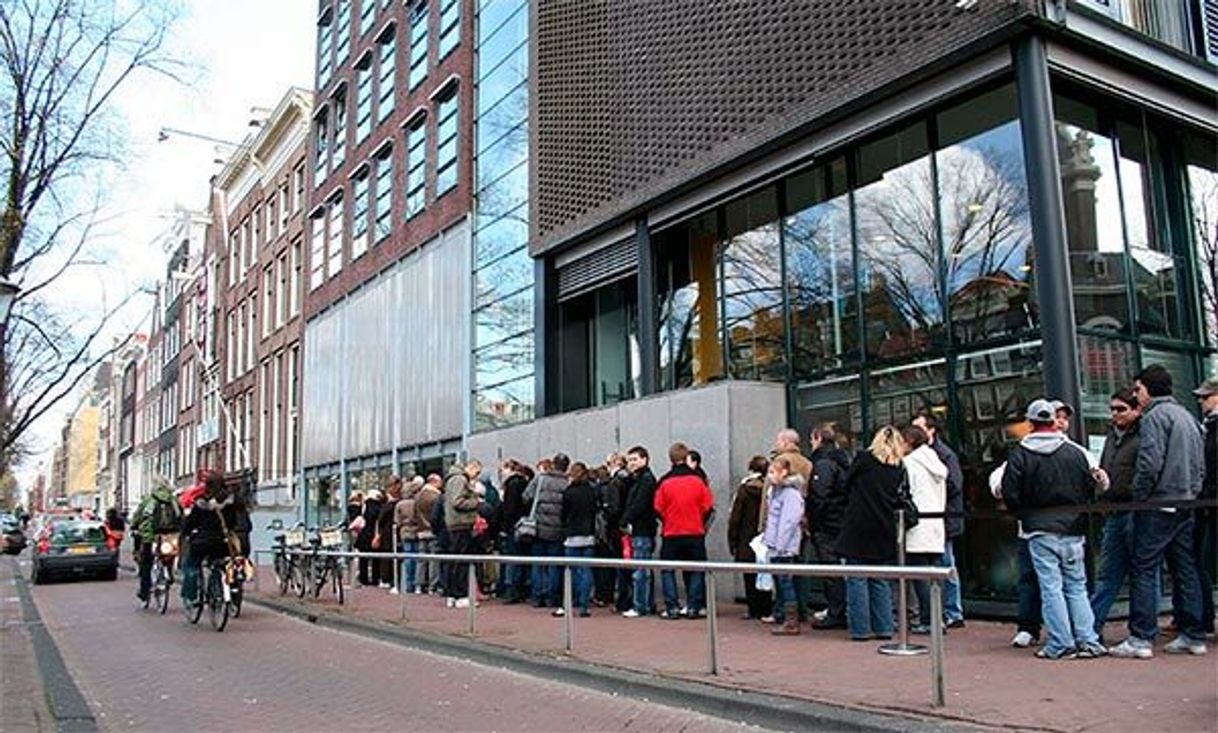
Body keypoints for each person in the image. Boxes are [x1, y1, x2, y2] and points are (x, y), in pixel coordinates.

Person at [1110, 366, 1208, 658]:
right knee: (1185, 567)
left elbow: (1150, 463)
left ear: (1149, 390)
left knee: (1144, 566)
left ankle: (1141, 637)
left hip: (1159, 502)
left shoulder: (1155, 417)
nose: (1136, 394)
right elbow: (1199, 462)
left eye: (1138, 389)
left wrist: (1140, 497)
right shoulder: (1187, 416)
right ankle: (1194, 633)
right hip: (1186, 500)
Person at [1001, 399, 1107, 660]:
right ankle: (1088, 639)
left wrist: (1023, 513)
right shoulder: (1076, 452)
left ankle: (1060, 642)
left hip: (1039, 528)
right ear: (1053, 422)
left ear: (1031, 423)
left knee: (1051, 587)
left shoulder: (1021, 454)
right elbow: (1092, 486)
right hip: (1073, 528)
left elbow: (1010, 493)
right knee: (1076, 586)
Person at [836, 426, 906, 641]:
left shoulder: (864, 459)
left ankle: (860, 629)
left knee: (857, 578)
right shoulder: (898, 467)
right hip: (884, 526)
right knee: (880, 580)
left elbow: (845, 485)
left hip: (858, 524)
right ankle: (884, 627)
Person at [1089, 389, 1142, 640]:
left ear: (1136, 410)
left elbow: (1147, 471)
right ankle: (1091, 627)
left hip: (1135, 510)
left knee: (1142, 573)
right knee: (1107, 573)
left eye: (1121, 409)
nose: (1115, 414)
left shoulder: (1143, 434)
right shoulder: (1112, 436)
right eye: (1112, 409)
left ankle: (1141, 631)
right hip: (1113, 510)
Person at [912, 412, 965, 629]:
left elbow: (954, 484)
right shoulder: (934, 454)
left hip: (942, 518)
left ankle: (952, 610)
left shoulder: (945, 455)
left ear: (931, 430)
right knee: (939, 565)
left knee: (946, 564)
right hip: (937, 518)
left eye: (919, 427)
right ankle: (943, 612)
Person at [654, 442, 715, 619]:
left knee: (667, 569)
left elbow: (657, 507)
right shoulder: (698, 481)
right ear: (686, 457)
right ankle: (694, 607)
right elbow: (708, 506)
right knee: (696, 568)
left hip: (671, 532)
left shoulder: (664, 481)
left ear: (670, 459)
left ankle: (672, 607)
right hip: (695, 531)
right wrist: (699, 521)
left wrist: (667, 520)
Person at [902, 425, 947, 635]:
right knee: (936, 575)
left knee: (920, 576)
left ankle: (929, 620)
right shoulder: (935, 461)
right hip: (936, 523)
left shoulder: (909, 464)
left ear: (909, 441)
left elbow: (905, 492)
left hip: (918, 525)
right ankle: (939, 617)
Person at [806, 423, 851, 629]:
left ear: (817, 438)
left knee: (831, 569)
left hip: (828, 524)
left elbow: (819, 496)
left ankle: (836, 612)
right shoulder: (843, 460)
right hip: (841, 520)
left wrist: (814, 522)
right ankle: (840, 609)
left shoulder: (823, 463)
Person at [728, 455, 773, 621]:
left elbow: (735, 517)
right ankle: (766, 608)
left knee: (749, 574)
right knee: (766, 572)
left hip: (745, 537)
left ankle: (753, 608)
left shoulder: (745, 489)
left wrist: (732, 539)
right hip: (765, 536)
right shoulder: (770, 488)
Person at [764, 456, 805, 635]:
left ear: (784, 472)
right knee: (781, 582)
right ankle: (784, 614)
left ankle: (791, 620)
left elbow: (788, 521)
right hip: (776, 544)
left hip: (784, 546)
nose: (770, 476)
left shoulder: (790, 494)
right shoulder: (776, 491)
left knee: (786, 582)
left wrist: (779, 544)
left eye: (773, 472)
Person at [523, 453, 569, 608]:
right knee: (554, 565)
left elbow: (526, 497)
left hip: (539, 527)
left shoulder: (540, 479)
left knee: (537, 563)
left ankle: (537, 596)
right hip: (557, 529)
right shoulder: (567, 483)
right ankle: (552, 597)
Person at [179, 472, 231, 609]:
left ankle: (191, 596)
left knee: (191, 565)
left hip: (201, 542)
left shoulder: (201, 503)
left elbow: (190, 523)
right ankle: (225, 590)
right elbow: (233, 522)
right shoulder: (229, 502)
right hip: (221, 542)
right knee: (221, 565)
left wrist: (185, 532)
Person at [1190, 378, 1217, 638]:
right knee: (1204, 562)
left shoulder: (1211, 428)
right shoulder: (1206, 427)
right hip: (1207, 505)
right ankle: (1205, 618)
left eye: (1206, 396)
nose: (1201, 401)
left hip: (1210, 502)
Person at [620, 445, 658, 618]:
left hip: (642, 529)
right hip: (642, 529)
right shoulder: (639, 479)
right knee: (643, 569)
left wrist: (624, 519)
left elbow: (639, 504)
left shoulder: (646, 480)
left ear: (645, 459)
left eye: (635, 459)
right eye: (629, 460)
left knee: (640, 570)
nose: (632, 463)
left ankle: (640, 605)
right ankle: (645, 604)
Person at [130, 477, 182, 602]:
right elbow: (180, 516)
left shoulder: (149, 500)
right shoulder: (174, 500)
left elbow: (138, 516)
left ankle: (144, 591)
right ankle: (168, 573)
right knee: (168, 555)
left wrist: (134, 526)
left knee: (146, 563)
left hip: (150, 536)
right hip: (170, 535)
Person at [557, 462, 597, 617]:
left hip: (572, 534)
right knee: (586, 570)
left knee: (571, 571)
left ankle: (568, 602)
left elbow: (564, 514)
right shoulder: (591, 491)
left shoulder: (569, 492)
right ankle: (584, 605)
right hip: (588, 534)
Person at [442, 461, 484, 608]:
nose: (475, 477)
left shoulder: (452, 479)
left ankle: (452, 594)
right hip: (461, 523)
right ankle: (461, 594)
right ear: (471, 468)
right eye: (476, 473)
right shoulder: (460, 479)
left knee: (455, 561)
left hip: (454, 523)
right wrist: (476, 502)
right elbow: (457, 501)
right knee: (461, 561)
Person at [497, 460, 532, 603]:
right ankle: (522, 588)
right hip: (524, 525)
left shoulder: (511, 484)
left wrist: (505, 527)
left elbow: (509, 509)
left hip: (513, 526)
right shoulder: (525, 483)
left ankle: (511, 590)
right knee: (522, 558)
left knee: (512, 557)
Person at [592, 456, 625, 608]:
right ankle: (612, 595)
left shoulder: (609, 485)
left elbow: (611, 509)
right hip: (616, 529)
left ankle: (604, 595)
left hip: (607, 530)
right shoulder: (620, 481)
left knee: (604, 565)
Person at [393, 476, 424, 596]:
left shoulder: (399, 505)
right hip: (415, 530)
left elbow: (397, 521)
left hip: (405, 531)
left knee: (407, 558)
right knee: (417, 558)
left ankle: (407, 584)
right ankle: (417, 584)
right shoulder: (416, 503)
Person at [414, 474, 443, 594]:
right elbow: (438, 515)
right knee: (433, 559)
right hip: (432, 531)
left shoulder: (418, 496)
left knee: (421, 559)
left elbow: (415, 514)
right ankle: (433, 585)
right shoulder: (436, 496)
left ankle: (419, 585)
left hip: (421, 530)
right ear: (434, 482)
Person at [355, 489, 385, 587]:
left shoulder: (364, 506)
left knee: (363, 559)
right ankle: (375, 579)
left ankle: (363, 579)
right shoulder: (379, 507)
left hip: (363, 535)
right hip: (374, 535)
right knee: (376, 559)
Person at [376, 477, 402, 589]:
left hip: (389, 533)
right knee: (388, 556)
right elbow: (380, 520)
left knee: (389, 556)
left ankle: (387, 578)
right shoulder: (389, 503)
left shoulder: (388, 503)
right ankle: (386, 578)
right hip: (388, 533)